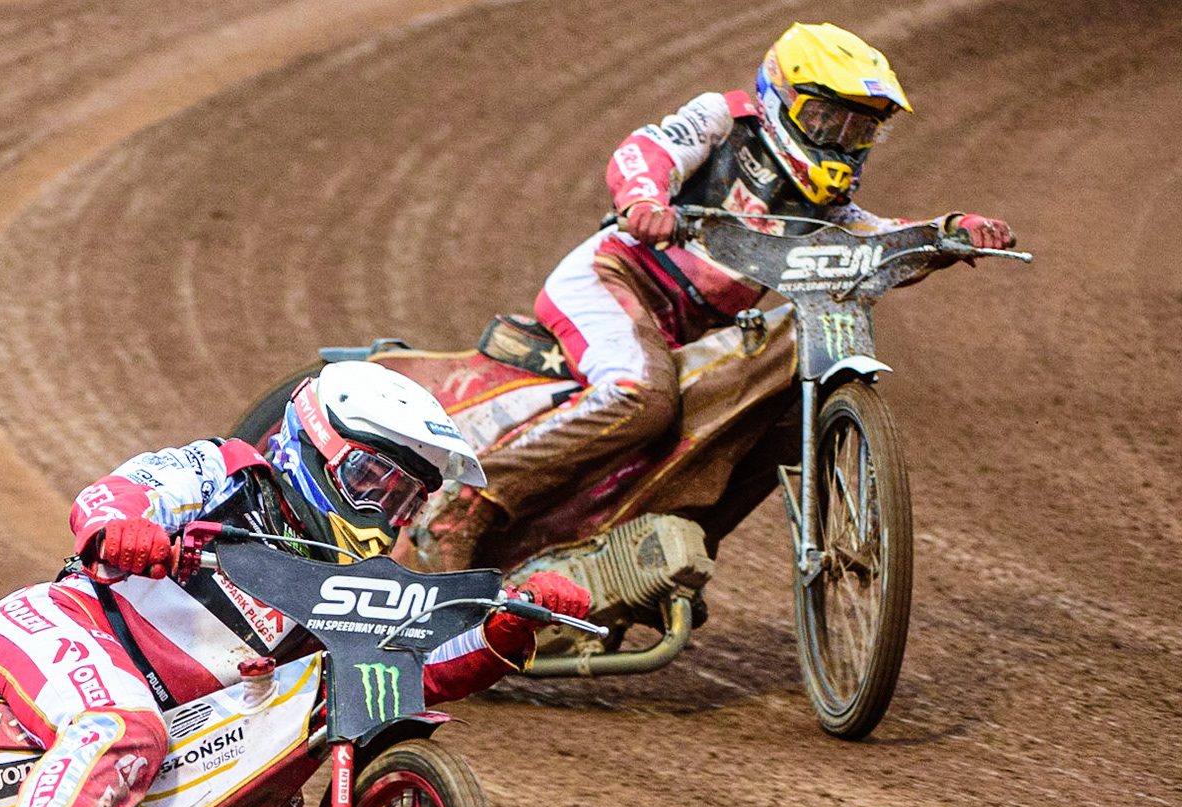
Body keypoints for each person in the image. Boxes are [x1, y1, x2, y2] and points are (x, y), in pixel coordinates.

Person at [0, 361, 591, 807]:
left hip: (183, 722)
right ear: (312, 446)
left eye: (403, 500)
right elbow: (117, 493)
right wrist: (125, 530)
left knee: (269, 796)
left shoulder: (356, 587)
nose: (383, 512)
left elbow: (413, 670)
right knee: (125, 727)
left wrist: (507, 630)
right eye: (370, 480)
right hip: (69, 624)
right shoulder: (226, 471)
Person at [418, 22, 1017, 569]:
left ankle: (665, 556)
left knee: (774, 419)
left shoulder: (822, 206)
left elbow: (866, 240)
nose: (841, 142)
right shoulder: (723, 119)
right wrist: (645, 201)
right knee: (642, 398)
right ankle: (467, 504)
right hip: (616, 279)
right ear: (784, 101)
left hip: (693, 329)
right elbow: (646, 151)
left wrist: (946, 233)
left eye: (860, 131)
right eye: (830, 122)